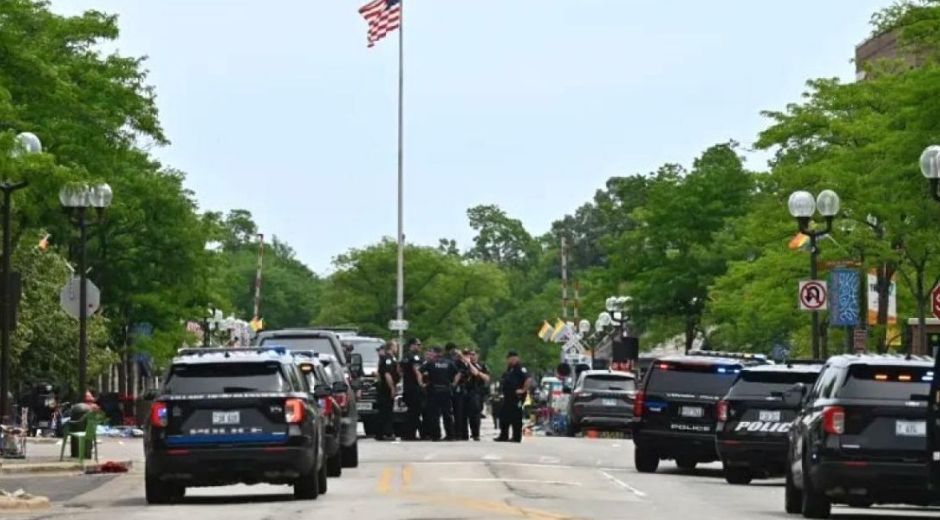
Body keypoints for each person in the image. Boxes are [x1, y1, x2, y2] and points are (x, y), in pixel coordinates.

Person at [420, 346, 458, 441]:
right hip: (446, 390)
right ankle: (450, 435)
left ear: (436, 353)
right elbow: (457, 373)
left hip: (434, 390)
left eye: (432, 352)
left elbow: (420, 370)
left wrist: (423, 383)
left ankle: (436, 435)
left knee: (434, 414)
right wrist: (453, 383)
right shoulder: (449, 363)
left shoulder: (431, 363)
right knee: (447, 414)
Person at [496, 351, 531, 443]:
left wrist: (523, 390)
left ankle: (516, 437)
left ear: (515, 358)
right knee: (503, 416)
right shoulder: (509, 369)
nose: (508, 360)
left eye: (510, 358)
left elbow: (528, 379)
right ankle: (504, 435)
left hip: (517, 397)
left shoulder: (521, 368)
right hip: (508, 397)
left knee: (516, 417)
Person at [457, 349, 490, 441]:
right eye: (469, 355)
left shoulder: (482, 365)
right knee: (463, 414)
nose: (471, 356)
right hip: (464, 392)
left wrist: (470, 364)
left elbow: (485, 377)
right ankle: (464, 435)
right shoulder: (464, 366)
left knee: (475, 414)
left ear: (477, 355)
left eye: (473, 354)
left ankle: (475, 434)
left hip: (476, 392)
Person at [399, 338, 424, 440]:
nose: (419, 347)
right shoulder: (415, 357)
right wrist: (421, 384)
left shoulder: (405, 356)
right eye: (418, 344)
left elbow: (399, 369)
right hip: (415, 388)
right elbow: (417, 371)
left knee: (410, 411)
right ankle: (413, 434)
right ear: (412, 345)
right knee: (415, 411)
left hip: (407, 386)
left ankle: (409, 433)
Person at [375, 340, 400, 441]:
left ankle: (381, 433)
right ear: (391, 347)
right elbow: (387, 374)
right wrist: (392, 388)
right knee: (386, 411)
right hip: (386, 389)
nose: (397, 348)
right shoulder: (388, 359)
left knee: (386, 410)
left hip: (384, 388)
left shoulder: (389, 358)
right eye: (395, 346)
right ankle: (386, 433)